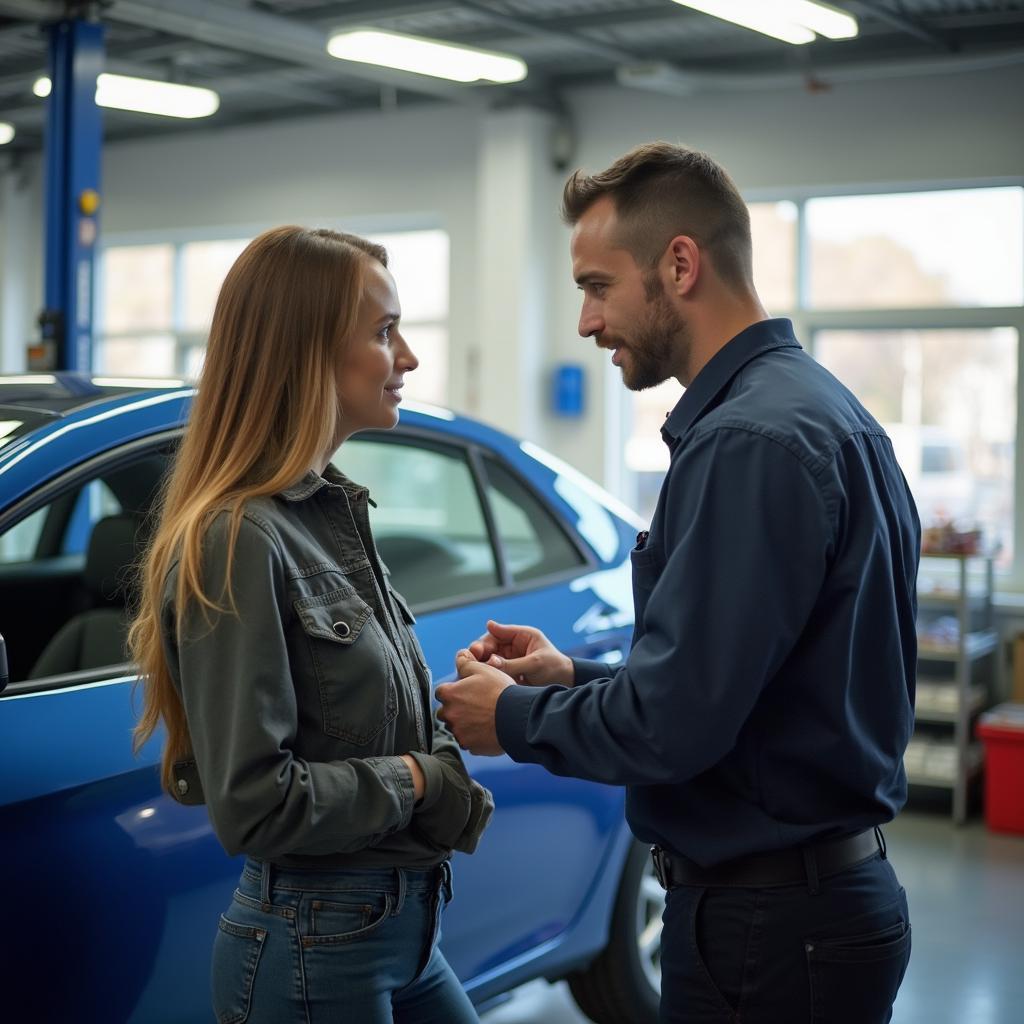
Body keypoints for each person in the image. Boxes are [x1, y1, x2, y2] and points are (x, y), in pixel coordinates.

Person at [436, 143, 919, 1024]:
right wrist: (571, 681)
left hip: (767, 933)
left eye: (596, 286)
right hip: (814, 911)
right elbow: (753, 693)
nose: (586, 322)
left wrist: (510, 718)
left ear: (680, 265)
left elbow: (674, 727)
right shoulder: (824, 412)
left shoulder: (749, 444)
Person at [130, 226, 491, 1024]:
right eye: (383, 331)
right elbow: (256, 803)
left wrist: (453, 723)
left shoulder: (329, 514)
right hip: (313, 944)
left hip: (405, 929)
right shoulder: (237, 539)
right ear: (305, 351)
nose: (408, 359)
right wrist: (420, 779)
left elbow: (374, 723)